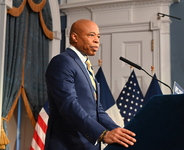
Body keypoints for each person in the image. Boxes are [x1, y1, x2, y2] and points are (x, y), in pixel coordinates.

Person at [44, 19, 136, 150]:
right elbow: (68, 105)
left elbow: (97, 110)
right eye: (91, 35)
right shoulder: (62, 62)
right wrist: (102, 134)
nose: (97, 40)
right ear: (75, 37)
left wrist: (120, 132)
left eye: (98, 36)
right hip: (68, 144)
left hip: (89, 145)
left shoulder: (85, 65)